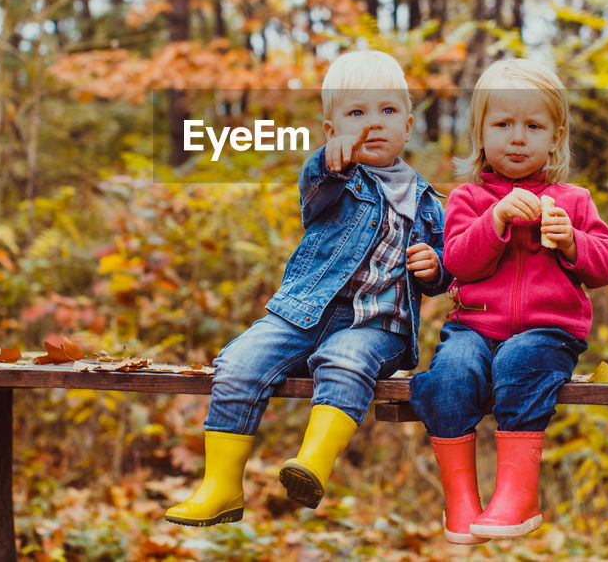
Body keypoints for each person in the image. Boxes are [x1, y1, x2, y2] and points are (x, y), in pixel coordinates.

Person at [164, 49, 449, 527]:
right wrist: (329, 164)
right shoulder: (335, 178)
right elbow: (314, 190)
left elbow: (444, 275)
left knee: (345, 360)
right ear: (331, 131)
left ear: (408, 124)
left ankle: (313, 463)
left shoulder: (429, 205)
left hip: (378, 326)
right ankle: (221, 487)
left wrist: (434, 268)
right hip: (302, 314)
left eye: (387, 111)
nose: (373, 124)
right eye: (356, 114)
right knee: (238, 363)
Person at [409, 58, 608, 544]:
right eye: (503, 124)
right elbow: (459, 264)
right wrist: (496, 221)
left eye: (533, 125)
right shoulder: (467, 199)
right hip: (474, 328)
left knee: (520, 360)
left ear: (555, 136)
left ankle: (518, 497)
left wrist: (571, 242)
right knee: (448, 375)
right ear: (481, 133)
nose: (518, 137)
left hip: (548, 333)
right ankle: (461, 500)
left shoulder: (573, 200)